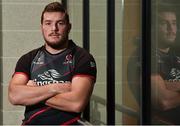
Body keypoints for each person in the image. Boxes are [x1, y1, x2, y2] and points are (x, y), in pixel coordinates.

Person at [8, 2, 97, 125]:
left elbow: (76, 103)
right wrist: (56, 88)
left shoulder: (82, 58)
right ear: (42, 27)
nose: (54, 28)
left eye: (60, 23)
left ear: (69, 27)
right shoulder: (29, 59)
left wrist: (33, 92)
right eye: (48, 23)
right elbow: (14, 95)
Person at [128, 4, 180, 124]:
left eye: (173, 23)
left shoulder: (175, 55)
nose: (171, 29)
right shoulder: (143, 55)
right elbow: (163, 101)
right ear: (152, 27)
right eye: (164, 23)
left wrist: (167, 84)